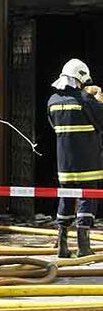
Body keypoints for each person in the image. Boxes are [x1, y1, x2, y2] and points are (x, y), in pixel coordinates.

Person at [48, 58, 103, 258]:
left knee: (66, 197)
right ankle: (83, 245)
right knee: (88, 198)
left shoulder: (52, 101)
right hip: (88, 161)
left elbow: (54, 127)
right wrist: (99, 99)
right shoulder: (85, 100)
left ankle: (62, 245)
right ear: (79, 79)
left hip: (65, 163)